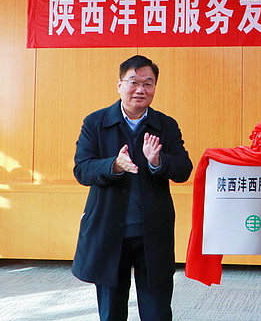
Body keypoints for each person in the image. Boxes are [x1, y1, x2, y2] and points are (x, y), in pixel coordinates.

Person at [72, 55, 193, 321]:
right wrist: (113, 165)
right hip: (108, 229)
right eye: (134, 82)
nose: (141, 89)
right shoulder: (95, 122)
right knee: (112, 312)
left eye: (148, 83)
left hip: (152, 231)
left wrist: (158, 162)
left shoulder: (166, 125)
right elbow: (82, 169)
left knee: (157, 311)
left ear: (154, 88)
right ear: (119, 85)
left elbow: (184, 169)